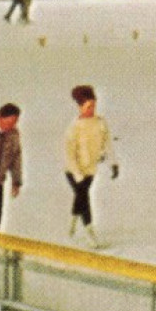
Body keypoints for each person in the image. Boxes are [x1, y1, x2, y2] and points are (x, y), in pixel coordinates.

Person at [64, 84, 113, 248]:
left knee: (80, 197)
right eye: (88, 106)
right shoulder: (74, 127)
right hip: (74, 171)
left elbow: (108, 144)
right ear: (80, 107)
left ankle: (72, 222)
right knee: (84, 198)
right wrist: (77, 174)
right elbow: (69, 154)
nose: (92, 109)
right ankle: (90, 232)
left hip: (90, 170)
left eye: (93, 105)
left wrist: (113, 163)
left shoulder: (100, 122)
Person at [0, 103, 23, 233]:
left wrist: (16, 182)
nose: (12, 126)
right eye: (9, 122)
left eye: (14, 122)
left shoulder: (14, 135)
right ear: (0, 117)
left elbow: (16, 159)